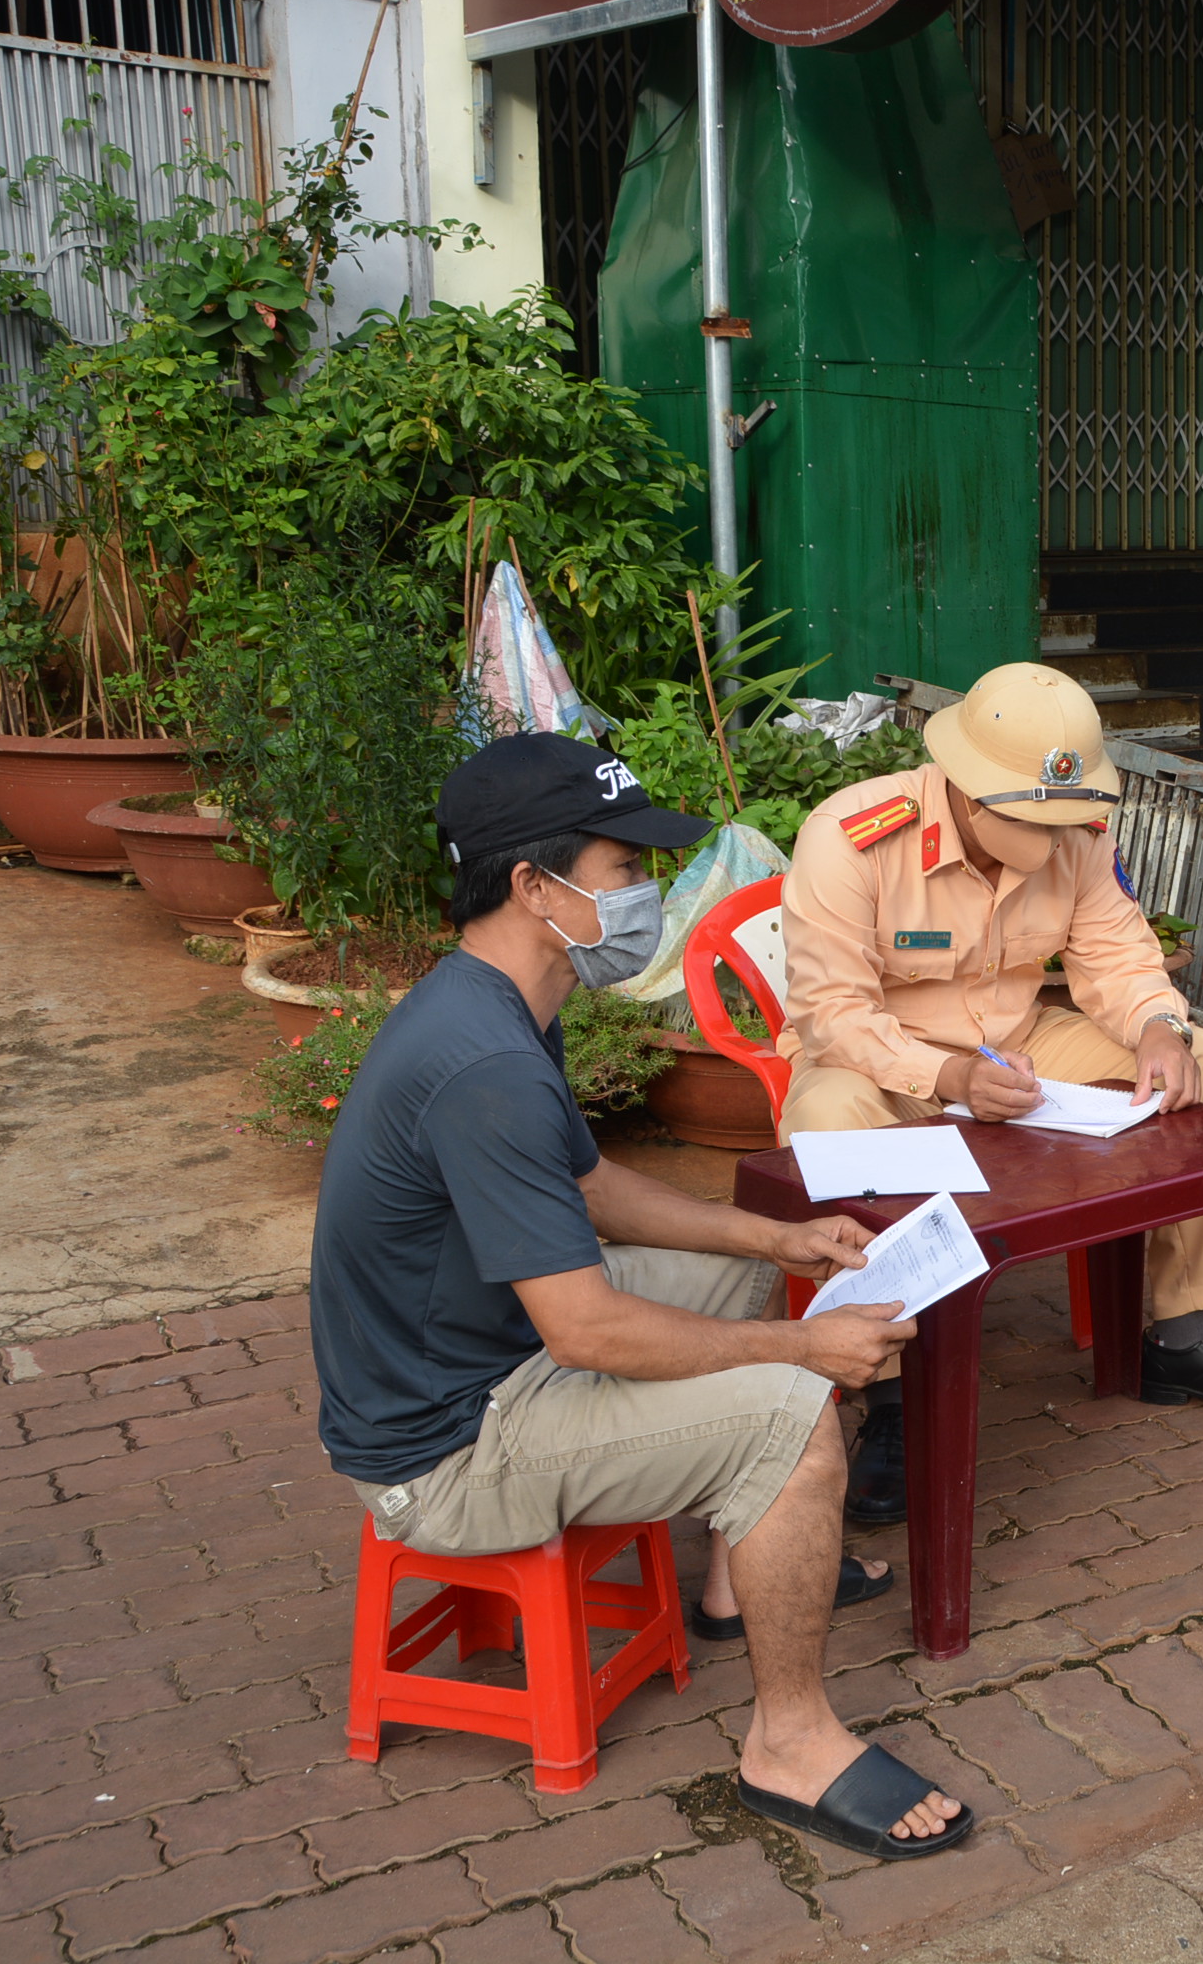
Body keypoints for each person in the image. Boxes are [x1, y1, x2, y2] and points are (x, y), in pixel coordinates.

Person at [308, 733, 969, 1862]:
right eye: (623, 869)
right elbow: (586, 1326)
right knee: (791, 1412)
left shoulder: (501, 999)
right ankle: (790, 1741)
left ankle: (733, 1580)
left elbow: (589, 1186)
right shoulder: (486, 1063)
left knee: (776, 1278)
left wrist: (777, 1233)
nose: (646, 894)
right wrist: (797, 1354)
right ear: (534, 885)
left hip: (494, 1348)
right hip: (450, 1446)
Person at [778, 661, 1203, 1523]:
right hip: (882, 1062)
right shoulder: (850, 837)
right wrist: (947, 1076)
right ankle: (888, 1402)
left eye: (1071, 814)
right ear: (966, 788)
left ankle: (1184, 1337)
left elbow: (1120, 955)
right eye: (1035, 814)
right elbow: (831, 1011)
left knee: (1202, 1062)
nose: (1058, 833)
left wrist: (1158, 1027)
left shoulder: (1077, 836)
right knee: (826, 1118)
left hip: (1017, 1046)